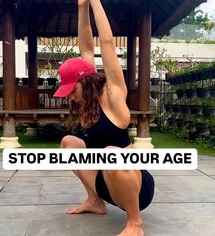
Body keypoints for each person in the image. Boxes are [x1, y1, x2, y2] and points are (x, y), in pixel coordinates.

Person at [53, 0, 154, 235]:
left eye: (72, 91)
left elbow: (106, 43)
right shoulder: (88, 102)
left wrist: (95, 1)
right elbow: (86, 49)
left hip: (135, 188)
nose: (71, 99)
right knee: (69, 143)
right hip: (104, 182)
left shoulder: (113, 95)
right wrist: (82, 7)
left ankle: (135, 223)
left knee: (111, 151)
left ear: (85, 82)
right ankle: (95, 201)